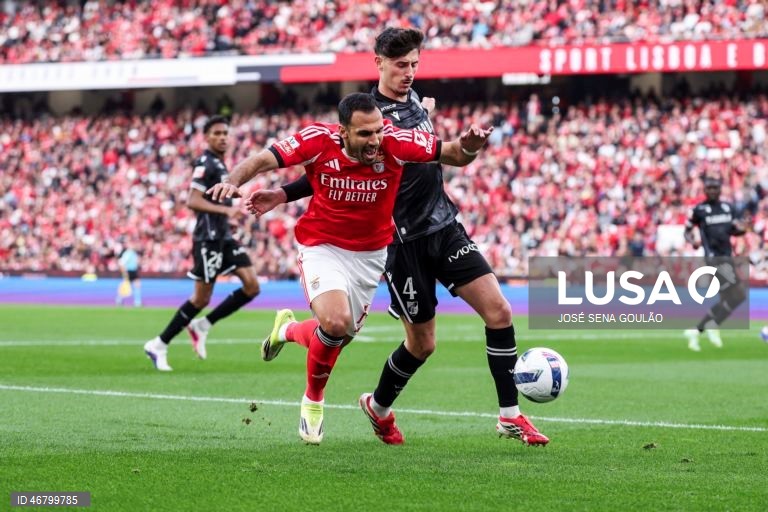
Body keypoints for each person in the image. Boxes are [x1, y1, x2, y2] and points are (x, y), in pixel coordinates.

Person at [244, 28, 548, 446]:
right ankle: (378, 406)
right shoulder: (369, 117)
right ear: (379, 64)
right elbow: (330, 170)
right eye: (401, 65)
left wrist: (469, 146)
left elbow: (448, 153)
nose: (409, 73)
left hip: (444, 226)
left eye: (414, 65)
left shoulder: (417, 102)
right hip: (401, 244)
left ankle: (510, 415)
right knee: (420, 344)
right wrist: (283, 192)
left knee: (499, 311)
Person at [208, 92, 491, 444]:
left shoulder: (395, 141)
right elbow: (262, 160)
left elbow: (452, 155)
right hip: (322, 246)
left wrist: (471, 146)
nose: (375, 140)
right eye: (364, 134)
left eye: (377, 131)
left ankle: (287, 330)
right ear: (342, 132)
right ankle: (313, 399)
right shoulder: (316, 139)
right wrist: (232, 181)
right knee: (336, 322)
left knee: (336, 337)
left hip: (371, 256)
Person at [143, 115, 261, 371]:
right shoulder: (205, 163)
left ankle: (203, 325)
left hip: (223, 237)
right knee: (200, 299)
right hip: (207, 239)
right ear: (206, 137)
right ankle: (159, 344)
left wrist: (230, 216)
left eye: (225, 133)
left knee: (252, 286)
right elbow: (193, 200)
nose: (222, 137)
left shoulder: (220, 165)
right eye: (217, 133)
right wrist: (226, 212)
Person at [683, 176, 750, 351]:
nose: (712, 191)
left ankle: (698, 330)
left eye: (715, 188)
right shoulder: (699, 210)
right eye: (709, 188)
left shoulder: (728, 208)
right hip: (714, 258)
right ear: (704, 191)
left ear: (720, 190)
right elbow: (687, 232)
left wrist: (742, 230)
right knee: (739, 294)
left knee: (729, 298)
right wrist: (693, 241)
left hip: (727, 256)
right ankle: (710, 326)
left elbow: (733, 231)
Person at [116, 242, 142, 307]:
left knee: (137, 285)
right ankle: (119, 300)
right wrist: (124, 273)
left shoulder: (134, 253)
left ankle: (137, 302)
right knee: (126, 286)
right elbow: (121, 263)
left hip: (134, 271)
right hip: (128, 271)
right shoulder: (127, 253)